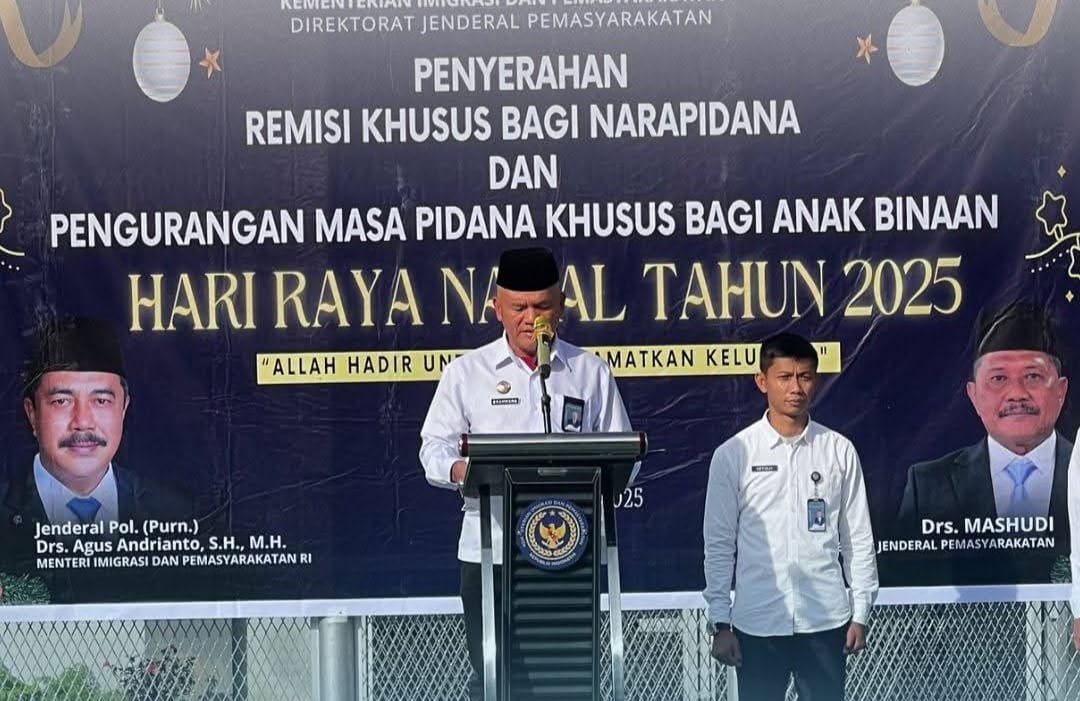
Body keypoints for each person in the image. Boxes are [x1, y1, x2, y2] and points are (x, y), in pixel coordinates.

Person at [419, 246, 633, 701]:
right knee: (494, 679)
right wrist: (465, 470)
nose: (531, 319)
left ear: (561, 307)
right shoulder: (467, 373)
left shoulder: (590, 372)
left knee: (568, 681)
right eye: (518, 307)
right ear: (497, 308)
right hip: (491, 553)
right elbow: (433, 449)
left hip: (569, 552)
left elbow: (622, 457)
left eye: (541, 306)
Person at [703, 332, 878, 701]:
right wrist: (720, 621)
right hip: (758, 622)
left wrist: (860, 612)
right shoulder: (734, 454)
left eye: (805, 377)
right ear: (762, 381)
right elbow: (719, 544)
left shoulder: (838, 450)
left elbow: (858, 537)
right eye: (784, 377)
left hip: (825, 619)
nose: (796, 388)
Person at [896, 303, 1072, 584]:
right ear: (974, 395)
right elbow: (906, 581)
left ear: (1061, 390)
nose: (1017, 394)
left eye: (1033, 376)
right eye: (998, 378)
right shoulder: (928, 485)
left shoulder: (1077, 468)